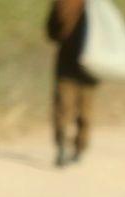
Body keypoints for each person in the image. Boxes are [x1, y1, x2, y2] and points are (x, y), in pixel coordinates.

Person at [46, 0, 98, 167]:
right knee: (84, 109)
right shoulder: (99, 5)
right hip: (89, 63)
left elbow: (51, 32)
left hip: (70, 62)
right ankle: (78, 147)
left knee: (64, 107)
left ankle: (65, 146)